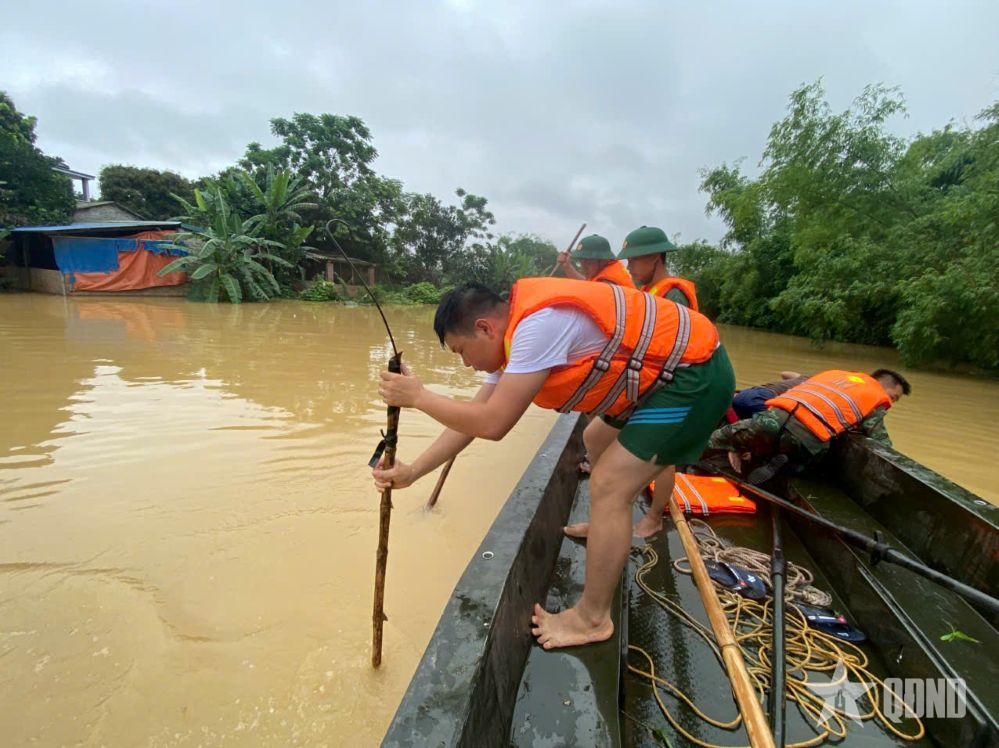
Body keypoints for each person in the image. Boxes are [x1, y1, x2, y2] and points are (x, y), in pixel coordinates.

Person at [373, 278, 734, 650]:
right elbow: (474, 419)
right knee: (593, 439)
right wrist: (413, 471)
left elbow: (494, 425)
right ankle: (606, 527)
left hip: (695, 377)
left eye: (462, 351)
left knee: (609, 484)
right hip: (659, 380)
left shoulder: (538, 328)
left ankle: (591, 618)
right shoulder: (512, 343)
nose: (466, 364)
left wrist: (418, 397)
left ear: (485, 328)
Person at [708, 368, 911, 481]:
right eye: (893, 398)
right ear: (883, 386)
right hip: (805, 442)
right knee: (813, 460)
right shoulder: (875, 398)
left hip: (769, 421)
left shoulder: (834, 375)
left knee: (716, 438)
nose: (890, 403)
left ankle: (757, 453)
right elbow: (880, 440)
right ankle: (786, 465)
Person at [617, 225, 698, 310]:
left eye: (633, 260)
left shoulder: (674, 296)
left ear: (654, 257)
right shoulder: (648, 291)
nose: (628, 267)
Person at [555, 234, 634, 287]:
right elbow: (587, 284)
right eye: (581, 262)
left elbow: (587, 289)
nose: (584, 267)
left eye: (588, 263)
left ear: (603, 260)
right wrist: (567, 267)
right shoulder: (608, 270)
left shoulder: (608, 283)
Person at [731, 370, 806, 419]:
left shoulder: (804, 379)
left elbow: (784, 374)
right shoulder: (811, 383)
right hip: (764, 398)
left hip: (745, 394)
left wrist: (800, 377)